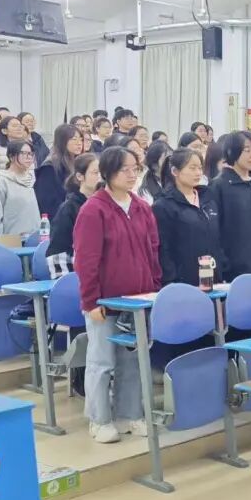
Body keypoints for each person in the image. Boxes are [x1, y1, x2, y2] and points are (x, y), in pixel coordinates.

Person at [74, 146, 160, 444]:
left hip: (138, 300)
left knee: (133, 361)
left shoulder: (142, 207)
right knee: (102, 361)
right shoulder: (93, 210)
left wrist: (154, 289)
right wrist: (90, 301)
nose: (132, 174)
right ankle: (99, 419)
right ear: (109, 172)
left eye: (136, 168)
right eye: (125, 169)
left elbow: (153, 251)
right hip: (104, 302)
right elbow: (86, 260)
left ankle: (129, 414)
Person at [153, 148, 225, 286]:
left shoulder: (208, 198)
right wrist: (172, 281)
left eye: (200, 168)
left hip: (213, 276)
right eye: (192, 168)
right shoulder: (164, 205)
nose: (198, 173)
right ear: (175, 171)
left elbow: (219, 237)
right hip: (184, 281)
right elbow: (164, 250)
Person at [211, 131, 251, 279]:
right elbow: (214, 230)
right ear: (232, 152)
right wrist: (223, 265)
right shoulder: (219, 185)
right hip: (233, 270)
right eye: (247, 150)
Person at [47, 153, 99, 278]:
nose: (100, 177)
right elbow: (58, 251)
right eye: (95, 173)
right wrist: (66, 282)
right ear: (80, 176)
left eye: (103, 173)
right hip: (78, 276)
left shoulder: (106, 206)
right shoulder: (68, 209)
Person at [0, 140, 41, 236]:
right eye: (23, 153)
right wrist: (0, 241)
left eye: (31, 154)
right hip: (11, 241)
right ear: (11, 157)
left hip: (34, 238)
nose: (28, 157)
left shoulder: (31, 179)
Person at [35, 123, 87, 218]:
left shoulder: (78, 164)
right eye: (74, 139)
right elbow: (47, 203)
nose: (79, 143)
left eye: (81, 139)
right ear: (62, 141)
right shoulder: (49, 168)